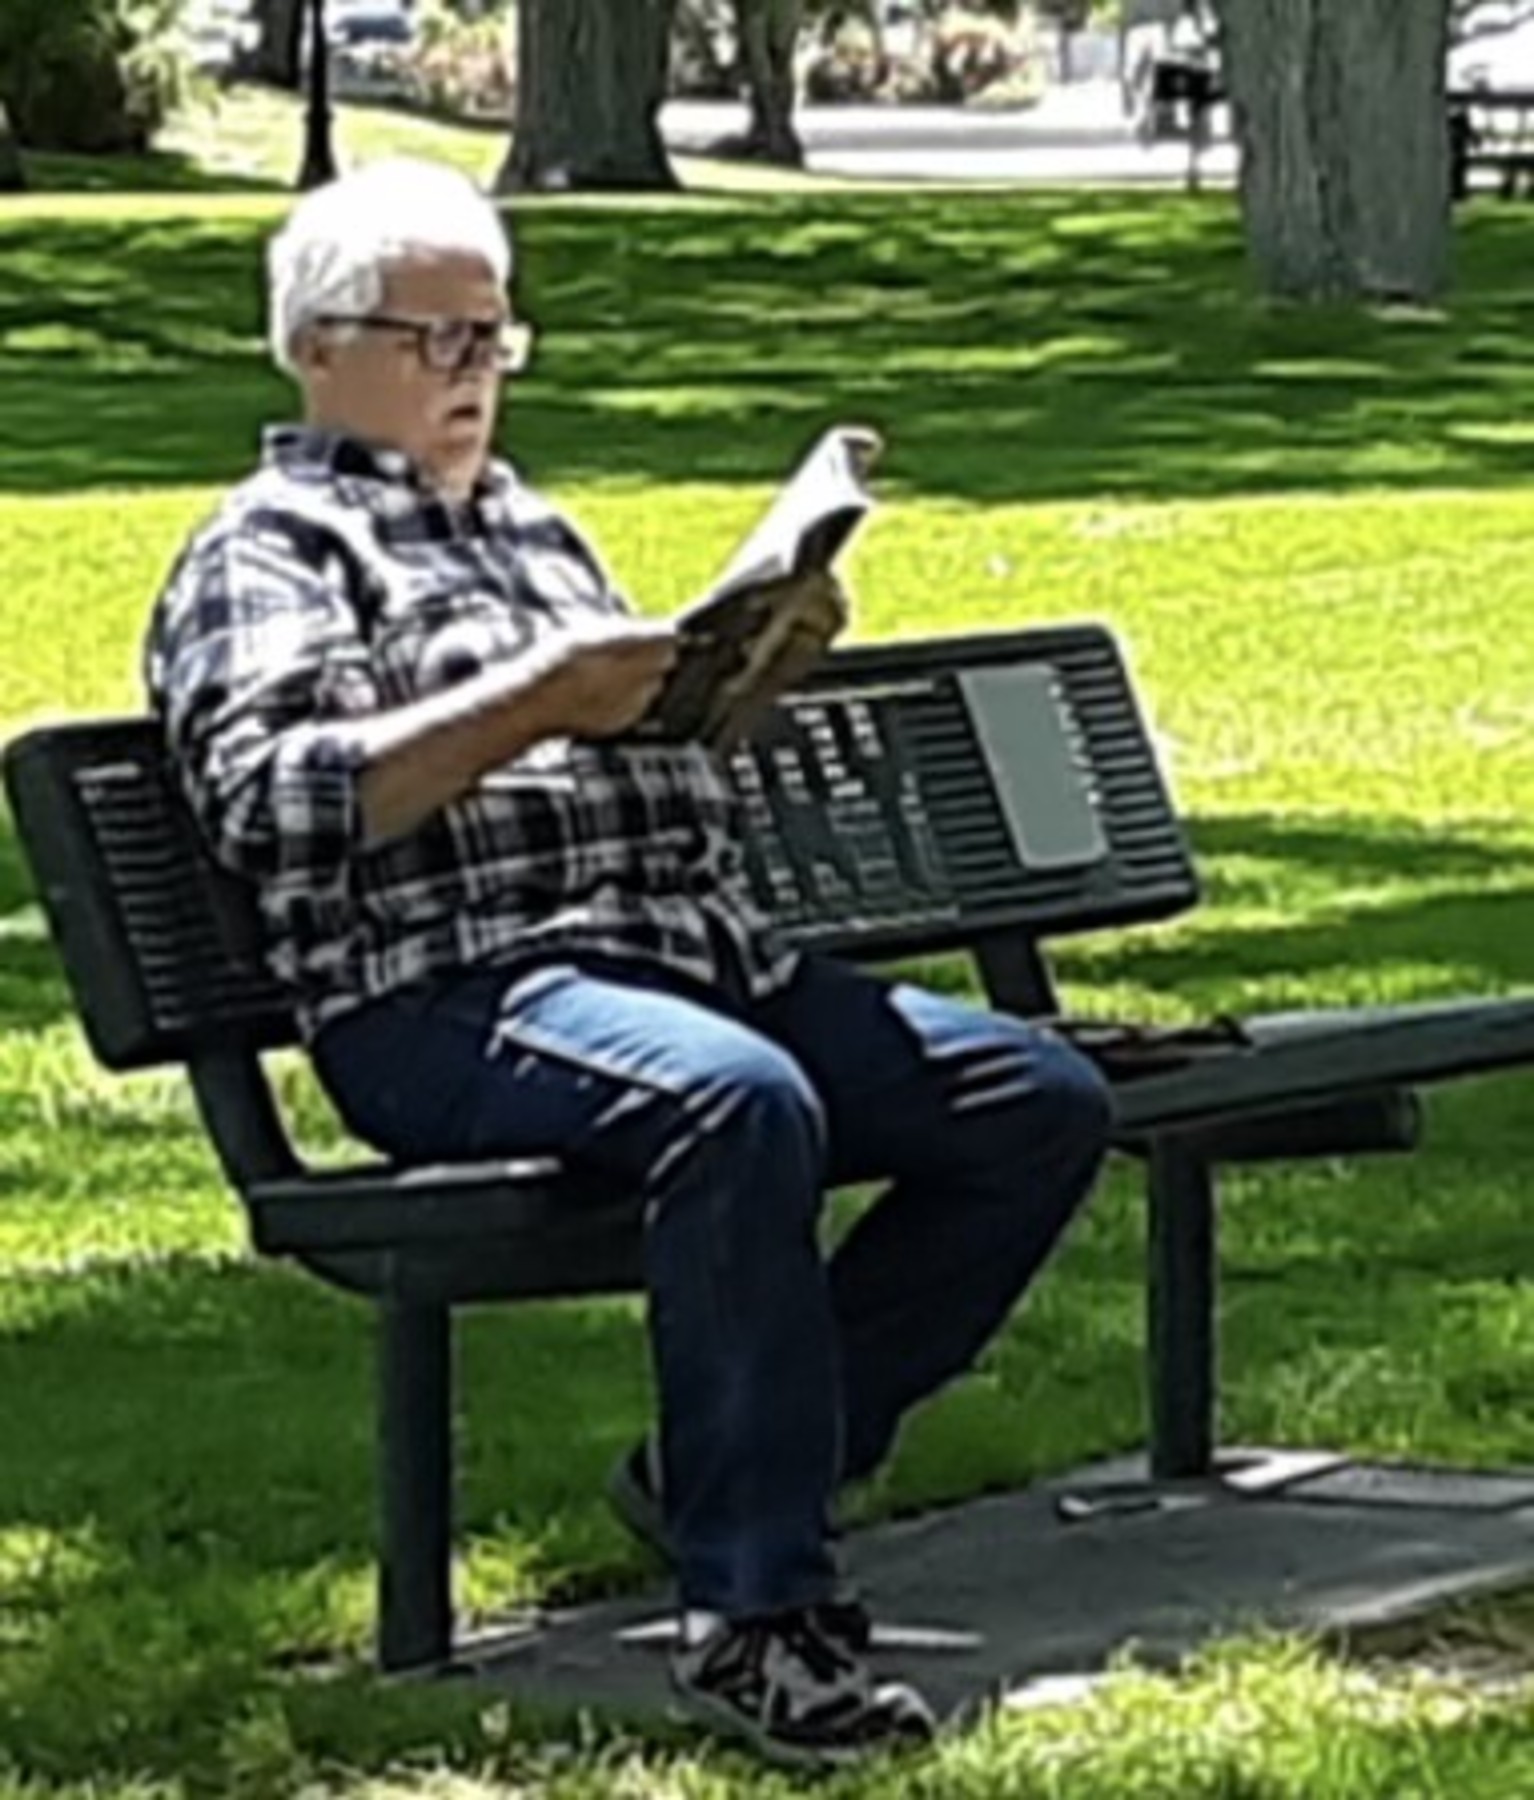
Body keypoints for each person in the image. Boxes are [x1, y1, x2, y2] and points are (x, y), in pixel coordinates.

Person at [144, 157, 1114, 1770]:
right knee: (735, 1104)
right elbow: (276, 807)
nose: (474, 372)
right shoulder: (274, 550)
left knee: (1033, 1099)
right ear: (315, 348)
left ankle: (720, 1476)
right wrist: (535, 694)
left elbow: (630, 749)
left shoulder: (532, 529)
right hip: (448, 989)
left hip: (682, 955)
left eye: (494, 337)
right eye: (435, 339)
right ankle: (755, 1617)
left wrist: (747, 670)